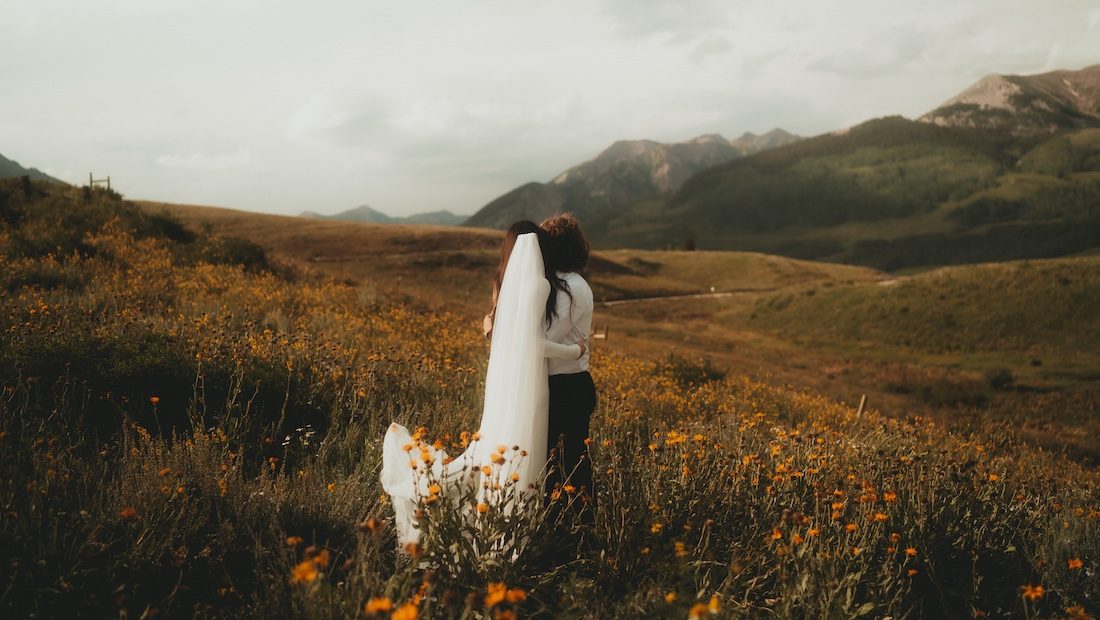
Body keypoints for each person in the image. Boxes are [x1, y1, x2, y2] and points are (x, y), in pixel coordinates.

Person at [380, 222, 584, 547]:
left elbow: (499, 332)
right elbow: (529, 342)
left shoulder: (503, 283)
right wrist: (576, 350)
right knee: (524, 445)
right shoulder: (541, 286)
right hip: (529, 381)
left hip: (504, 379)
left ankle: (501, 523)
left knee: (500, 444)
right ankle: (518, 531)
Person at [539, 213, 596, 523]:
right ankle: (557, 528)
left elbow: (543, 339)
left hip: (570, 387)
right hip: (554, 385)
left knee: (572, 465)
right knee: (553, 467)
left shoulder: (574, 287)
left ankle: (579, 534)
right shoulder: (554, 285)